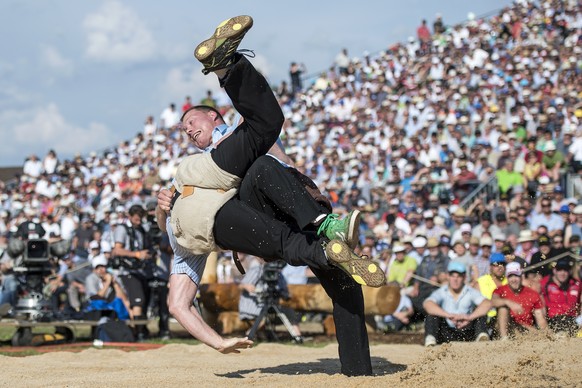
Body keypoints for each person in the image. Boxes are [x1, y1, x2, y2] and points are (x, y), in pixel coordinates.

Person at [156, 16, 384, 375]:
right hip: (231, 191)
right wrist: (165, 203)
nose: (187, 131)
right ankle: (225, 65)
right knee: (264, 145)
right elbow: (189, 209)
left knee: (341, 277)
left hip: (272, 204)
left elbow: (280, 160)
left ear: (215, 117)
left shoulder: (231, 135)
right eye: (184, 130)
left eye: (192, 123)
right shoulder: (203, 162)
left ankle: (358, 370)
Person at [111, 204, 154, 341]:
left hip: (141, 271)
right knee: (138, 301)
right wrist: (136, 254)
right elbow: (117, 250)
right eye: (136, 219)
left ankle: (142, 330)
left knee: (145, 301)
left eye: (140, 219)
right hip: (127, 271)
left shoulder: (141, 230)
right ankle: (138, 333)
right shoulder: (122, 229)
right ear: (129, 217)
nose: (139, 221)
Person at [423, 261, 491, 346]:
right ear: (448, 276)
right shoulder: (442, 291)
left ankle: (482, 336)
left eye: (459, 276)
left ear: (464, 277)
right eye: (452, 276)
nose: (455, 279)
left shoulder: (470, 291)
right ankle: (431, 338)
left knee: (480, 313)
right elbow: (427, 304)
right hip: (446, 332)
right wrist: (448, 315)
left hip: (467, 331)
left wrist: (469, 317)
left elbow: (487, 304)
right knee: (432, 314)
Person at [491, 262, 548, 339]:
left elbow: (540, 318)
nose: (514, 279)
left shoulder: (532, 294)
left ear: (522, 277)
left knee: (541, 334)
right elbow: (492, 302)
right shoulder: (500, 290)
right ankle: (504, 339)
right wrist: (508, 302)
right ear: (507, 278)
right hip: (505, 326)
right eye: (511, 276)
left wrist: (546, 332)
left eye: (516, 276)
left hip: (525, 328)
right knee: (503, 308)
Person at [540, 258, 581, 336]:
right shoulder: (544, 283)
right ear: (554, 271)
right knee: (562, 335)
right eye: (559, 270)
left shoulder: (576, 284)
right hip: (554, 320)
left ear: (569, 271)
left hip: (574, 320)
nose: (562, 273)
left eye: (565, 270)